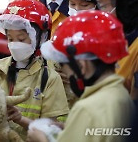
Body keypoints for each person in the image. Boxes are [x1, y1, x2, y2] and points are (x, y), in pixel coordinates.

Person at [27, 11, 135, 142]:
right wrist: (74, 128)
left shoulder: (87, 108)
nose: (66, 74)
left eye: (65, 68)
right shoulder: (122, 96)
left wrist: (42, 140)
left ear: (81, 65)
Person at [0, 0, 69, 141]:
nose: (15, 45)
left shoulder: (50, 78)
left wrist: (20, 119)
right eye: (10, 39)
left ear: (41, 38)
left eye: (21, 39)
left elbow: (50, 131)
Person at [83, 0, 138, 100]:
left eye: (102, 6)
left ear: (125, 7)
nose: (99, 13)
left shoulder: (135, 48)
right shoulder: (113, 39)